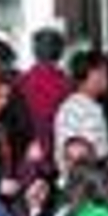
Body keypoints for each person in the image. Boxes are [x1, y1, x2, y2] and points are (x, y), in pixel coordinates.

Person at [53, 49, 108, 172]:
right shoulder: (72, 108)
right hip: (84, 180)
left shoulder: (93, 106)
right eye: (103, 73)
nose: (107, 78)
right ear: (91, 74)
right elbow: (71, 156)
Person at [16, 27, 70, 161]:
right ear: (60, 52)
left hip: (28, 147)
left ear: (34, 51)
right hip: (60, 147)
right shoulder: (66, 84)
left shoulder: (22, 81)